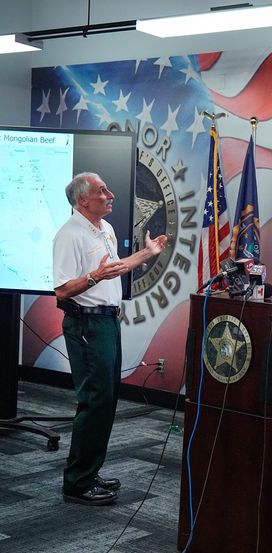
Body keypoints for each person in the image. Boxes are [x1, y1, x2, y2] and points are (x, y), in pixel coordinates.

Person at [53, 172, 167, 506]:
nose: (110, 194)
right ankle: (77, 482)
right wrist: (94, 276)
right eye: (102, 191)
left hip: (107, 322)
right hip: (86, 324)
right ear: (82, 200)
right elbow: (62, 289)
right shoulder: (69, 235)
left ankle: (89, 472)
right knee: (95, 400)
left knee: (106, 400)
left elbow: (114, 269)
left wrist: (147, 253)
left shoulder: (105, 230)